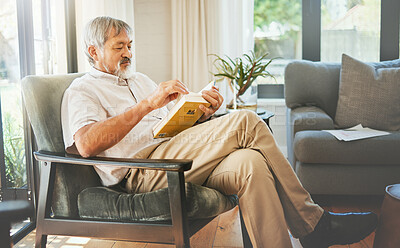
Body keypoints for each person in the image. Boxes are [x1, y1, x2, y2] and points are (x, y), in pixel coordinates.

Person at [61, 16, 377, 248]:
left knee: (250, 165)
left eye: (129, 45)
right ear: (93, 51)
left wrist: (199, 114)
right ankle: (314, 223)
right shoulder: (82, 90)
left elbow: (162, 129)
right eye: (119, 46)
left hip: (173, 156)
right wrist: (147, 104)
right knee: (248, 122)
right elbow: (87, 144)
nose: (127, 53)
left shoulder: (138, 79)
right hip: (143, 173)